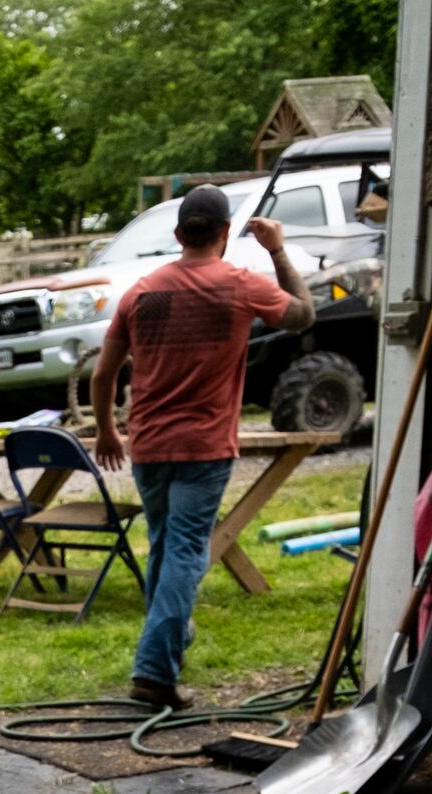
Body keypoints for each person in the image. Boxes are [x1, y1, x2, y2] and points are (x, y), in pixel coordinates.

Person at [94, 185, 313, 712]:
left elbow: (104, 373)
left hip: (147, 444)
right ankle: (153, 671)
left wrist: (106, 430)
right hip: (204, 446)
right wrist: (277, 250)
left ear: (177, 235)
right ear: (223, 235)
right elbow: (304, 315)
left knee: (165, 547)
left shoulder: (141, 292)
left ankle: (168, 640)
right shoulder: (240, 285)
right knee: (187, 554)